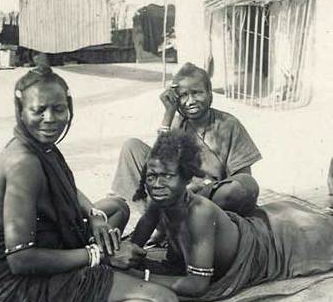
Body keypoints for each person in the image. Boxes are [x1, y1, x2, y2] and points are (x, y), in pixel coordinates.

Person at [0, 64, 179, 302]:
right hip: (17, 288)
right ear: (21, 111)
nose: (50, 118)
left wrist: (94, 216)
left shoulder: (40, 145)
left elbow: (72, 191)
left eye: (59, 109)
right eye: (39, 110)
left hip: (33, 259)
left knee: (116, 208)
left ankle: (104, 266)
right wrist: (101, 256)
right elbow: (21, 259)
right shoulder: (23, 162)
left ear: (69, 106)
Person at [127, 130, 333, 301]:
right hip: (270, 227)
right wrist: (127, 253)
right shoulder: (161, 199)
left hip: (287, 241)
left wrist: (139, 278)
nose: (156, 184)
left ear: (186, 179)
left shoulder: (198, 213)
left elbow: (197, 285)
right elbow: (137, 242)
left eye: (166, 177)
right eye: (151, 176)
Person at [112, 62, 261, 217]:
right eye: (183, 95)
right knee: (131, 147)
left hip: (208, 200)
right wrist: (168, 115)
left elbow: (244, 179)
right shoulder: (177, 123)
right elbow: (157, 164)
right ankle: (158, 220)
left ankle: (170, 217)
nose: (190, 101)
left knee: (237, 189)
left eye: (197, 93)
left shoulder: (229, 124)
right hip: (177, 193)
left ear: (210, 93)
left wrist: (201, 188)